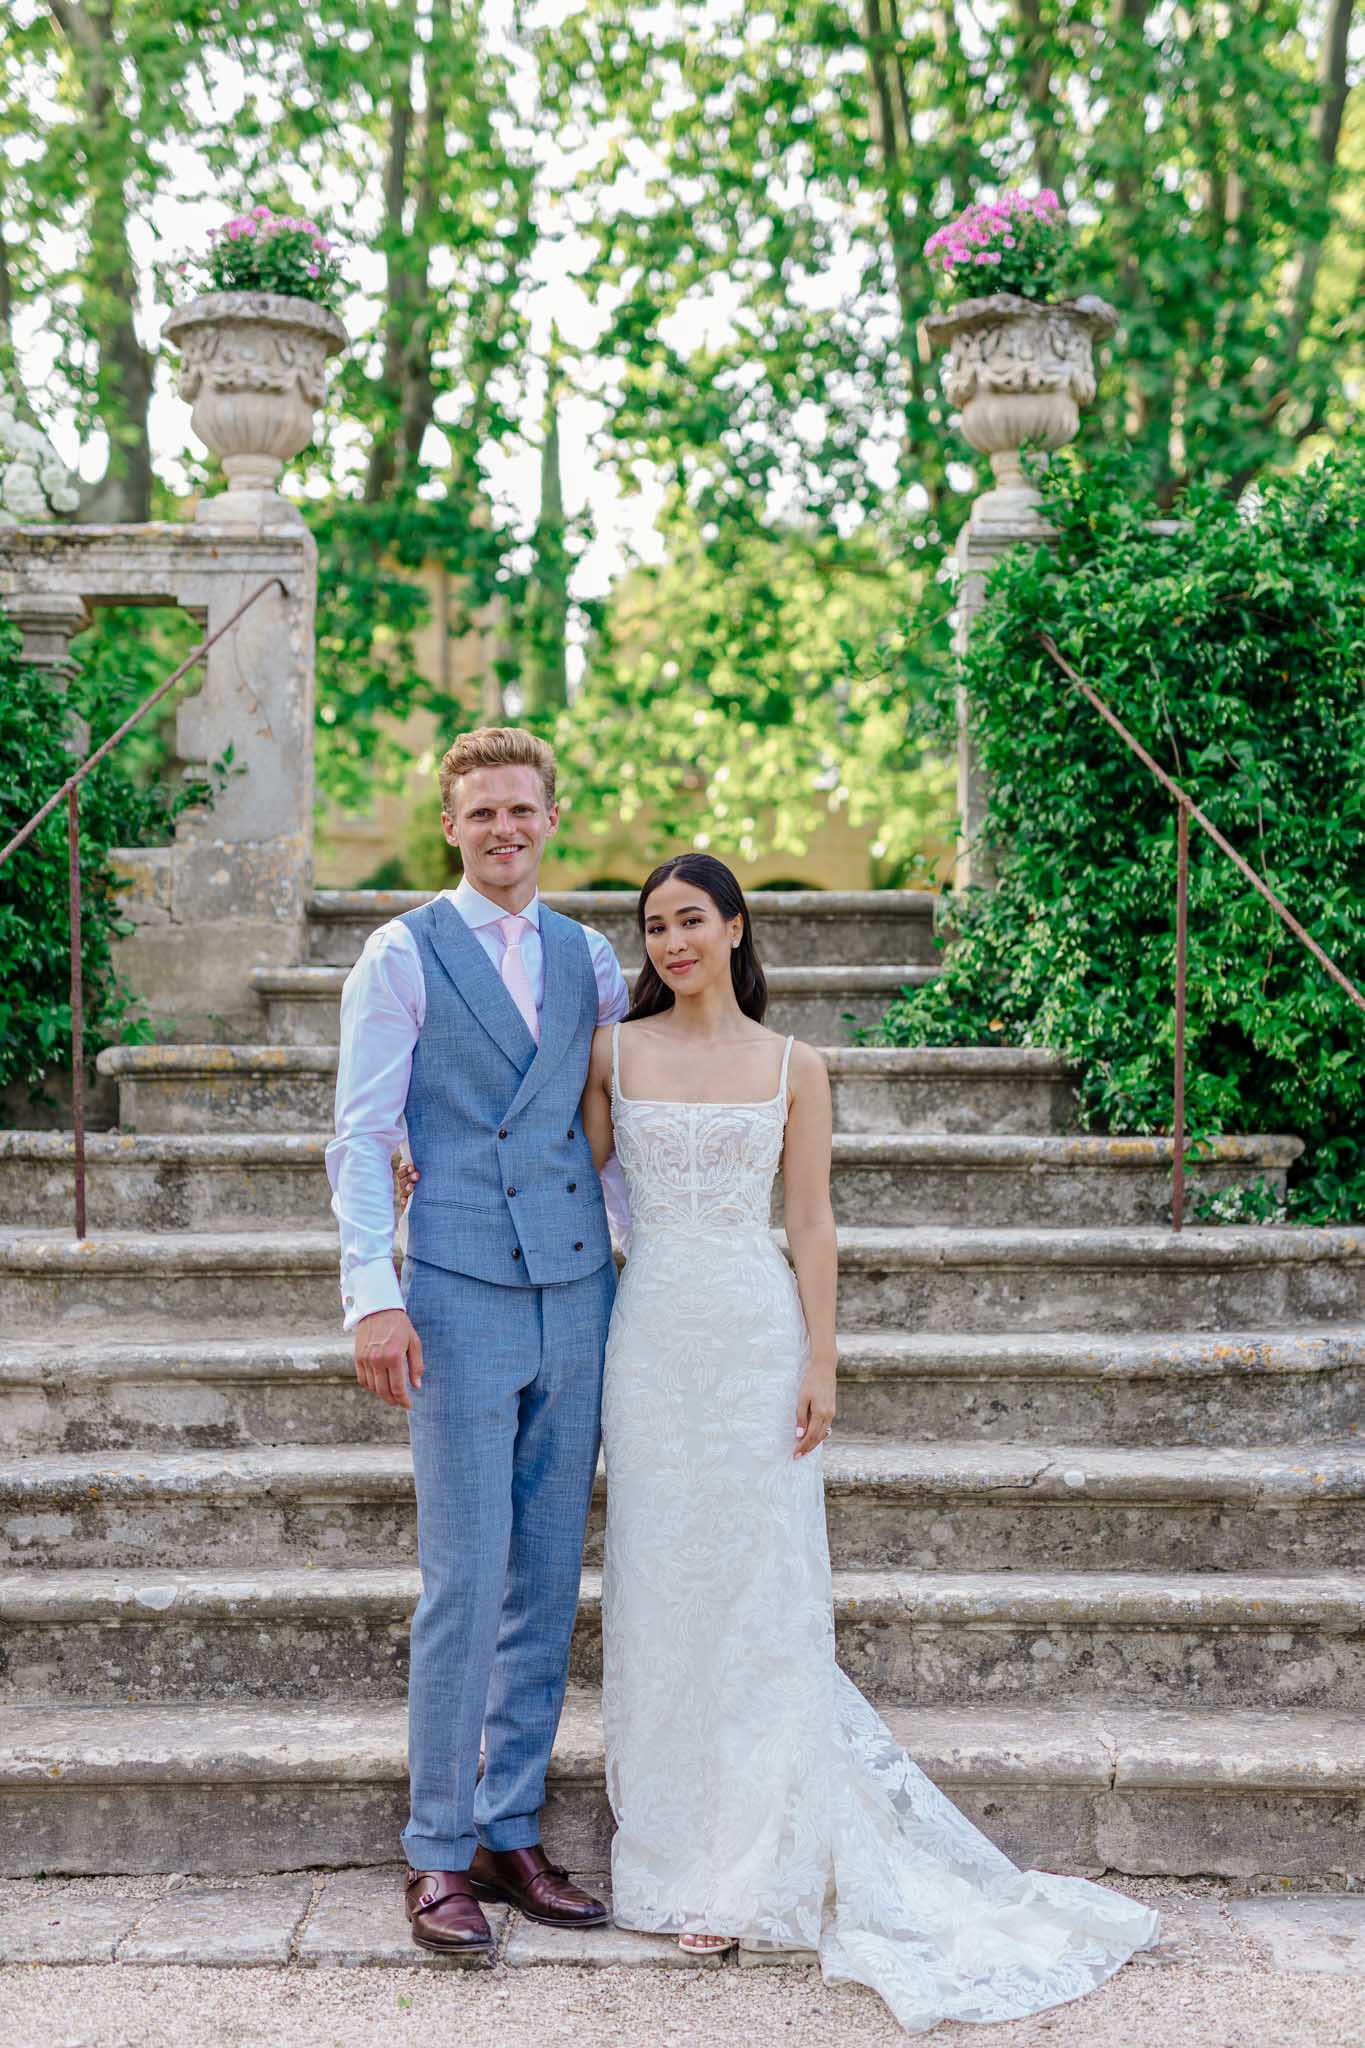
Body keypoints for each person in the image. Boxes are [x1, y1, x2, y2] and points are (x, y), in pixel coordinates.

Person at [578, 851, 1161, 2032]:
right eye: (653, 926)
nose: (671, 942)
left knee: (758, 1594)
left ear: (736, 927)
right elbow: (568, 1177)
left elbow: (808, 1218)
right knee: (661, 1589)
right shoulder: (611, 1051)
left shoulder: (798, 1066)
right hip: (648, 1344)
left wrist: (823, 1356)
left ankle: (750, 1862)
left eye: (691, 919)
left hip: (753, 1332)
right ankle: (672, 1850)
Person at [326, 725, 629, 1960]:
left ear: (551, 815)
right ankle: (439, 1848)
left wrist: (631, 1258)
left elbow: (611, 1122)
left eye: (523, 808)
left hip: (575, 1289)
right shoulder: (400, 952)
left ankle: (511, 1827)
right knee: (464, 1574)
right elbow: (359, 1132)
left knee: (550, 1574)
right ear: (449, 824)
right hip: (449, 1285)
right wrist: (369, 1291)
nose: (505, 829)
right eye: (482, 813)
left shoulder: (591, 956)